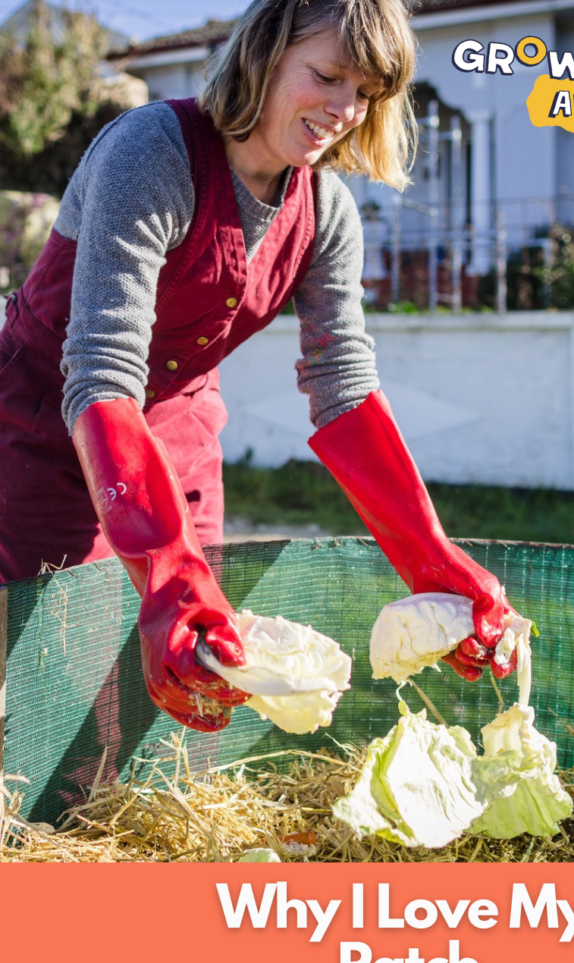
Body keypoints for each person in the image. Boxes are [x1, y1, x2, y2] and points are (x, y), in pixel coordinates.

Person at [0, 0, 516, 733]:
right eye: (329, 75)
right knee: (47, 675)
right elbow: (101, 365)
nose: (345, 109)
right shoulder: (151, 151)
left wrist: (433, 562)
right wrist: (168, 578)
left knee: (204, 674)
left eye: (365, 93)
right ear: (266, 53)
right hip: (48, 424)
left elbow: (343, 389)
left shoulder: (327, 213)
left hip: (178, 432)